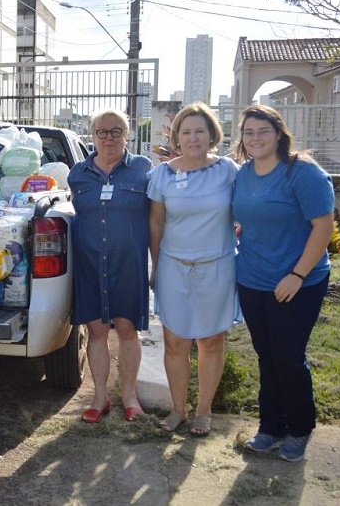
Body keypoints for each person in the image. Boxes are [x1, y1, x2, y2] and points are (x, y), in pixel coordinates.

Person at [232, 105, 334, 462]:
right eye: (248, 132)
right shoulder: (242, 174)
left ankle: (299, 429)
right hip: (252, 280)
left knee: (289, 357)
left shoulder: (302, 173)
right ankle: (270, 427)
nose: (255, 138)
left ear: (278, 133)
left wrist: (297, 275)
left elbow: (323, 227)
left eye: (262, 131)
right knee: (266, 357)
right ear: (242, 138)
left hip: (299, 282)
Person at [147, 103, 242, 437]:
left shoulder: (228, 171)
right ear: (177, 137)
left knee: (211, 341)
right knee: (175, 342)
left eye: (200, 130)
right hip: (174, 268)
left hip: (217, 267)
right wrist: (155, 267)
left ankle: (204, 411)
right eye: (186, 131)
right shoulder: (161, 175)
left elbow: (245, 212)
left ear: (211, 134)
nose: (193, 137)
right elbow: (156, 225)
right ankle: (177, 410)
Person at [67, 109, 152, 423]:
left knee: (127, 329)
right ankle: (100, 397)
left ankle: (129, 396)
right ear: (92, 136)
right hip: (89, 263)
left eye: (116, 131)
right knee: (96, 329)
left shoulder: (143, 169)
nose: (109, 138)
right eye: (102, 132)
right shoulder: (77, 173)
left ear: (127, 135)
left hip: (128, 264)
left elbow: (156, 217)